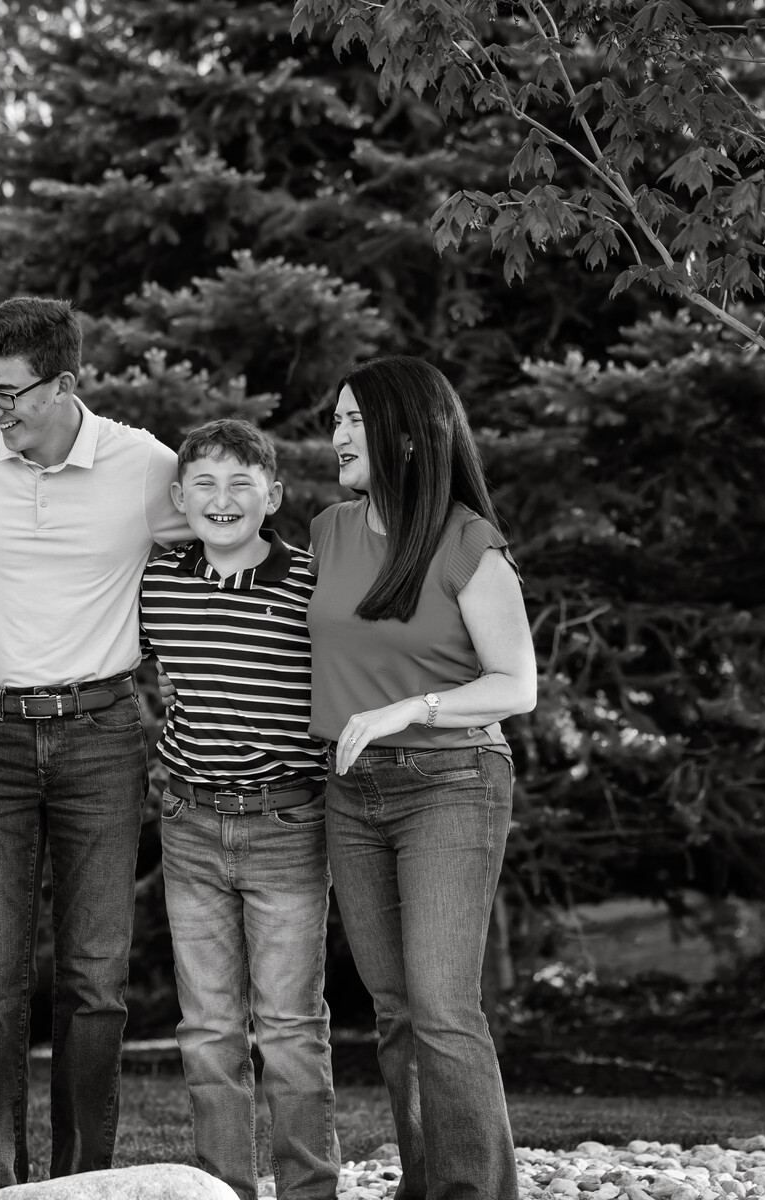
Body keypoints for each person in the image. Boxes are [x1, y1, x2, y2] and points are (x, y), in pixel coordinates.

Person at [0, 296, 191, 1193]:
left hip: (102, 735)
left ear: (65, 383)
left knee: (94, 982)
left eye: (7, 393)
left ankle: (82, 1184)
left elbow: (227, 537)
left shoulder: (144, 466)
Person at [305, 356, 537, 1200]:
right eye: (335, 421)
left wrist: (413, 708)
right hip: (352, 790)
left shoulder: (467, 541)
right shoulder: (329, 530)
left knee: (441, 1005)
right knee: (397, 1008)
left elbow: (517, 684)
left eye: (354, 421)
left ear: (406, 435)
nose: (337, 437)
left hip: (452, 780)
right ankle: (426, 1184)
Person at [139, 419, 339, 1200]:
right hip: (189, 823)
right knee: (208, 1029)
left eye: (240, 485)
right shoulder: (159, 584)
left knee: (289, 1027)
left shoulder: (312, 583)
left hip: (287, 823)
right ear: (179, 497)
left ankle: (309, 1190)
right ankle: (223, 1188)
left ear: (273, 496)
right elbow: (85, 635)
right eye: (204, 484)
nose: (221, 500)